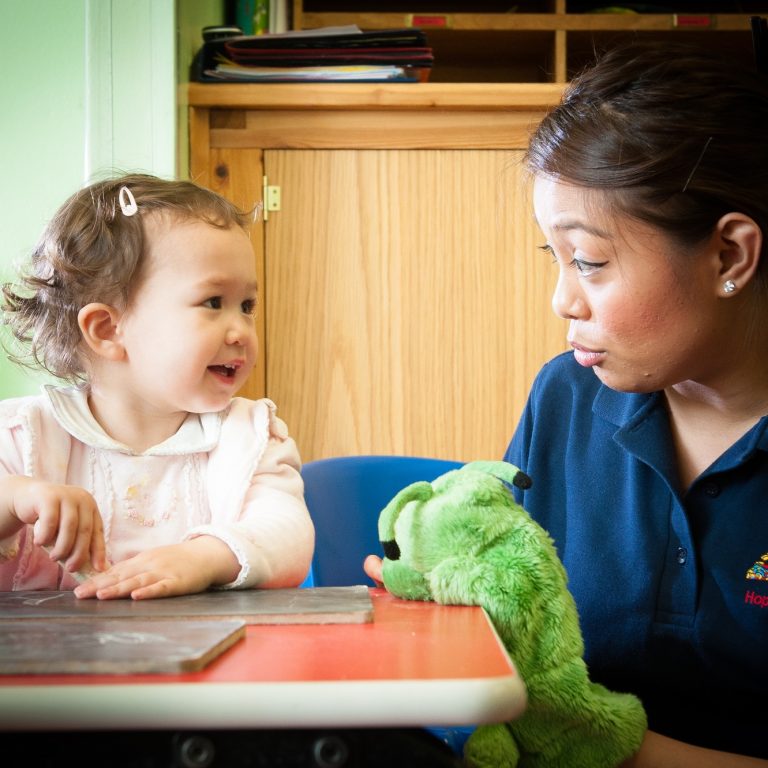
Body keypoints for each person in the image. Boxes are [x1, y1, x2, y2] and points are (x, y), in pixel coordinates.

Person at [366, 40, 768, 766]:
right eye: (552, 258)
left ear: (729, 256)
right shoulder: (568, 395)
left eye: (589, 261)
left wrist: (611, 749)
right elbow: (514, 604)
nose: (562, 299)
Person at [0, 173, 314, 600]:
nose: (240, 330)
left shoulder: (250, 436)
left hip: (208, 658)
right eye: (213, 303)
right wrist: (18, 498)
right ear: (108, 329)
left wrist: (204, 558)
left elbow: (289, 534)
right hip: (43, 661)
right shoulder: (24, 436)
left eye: (247, 306)